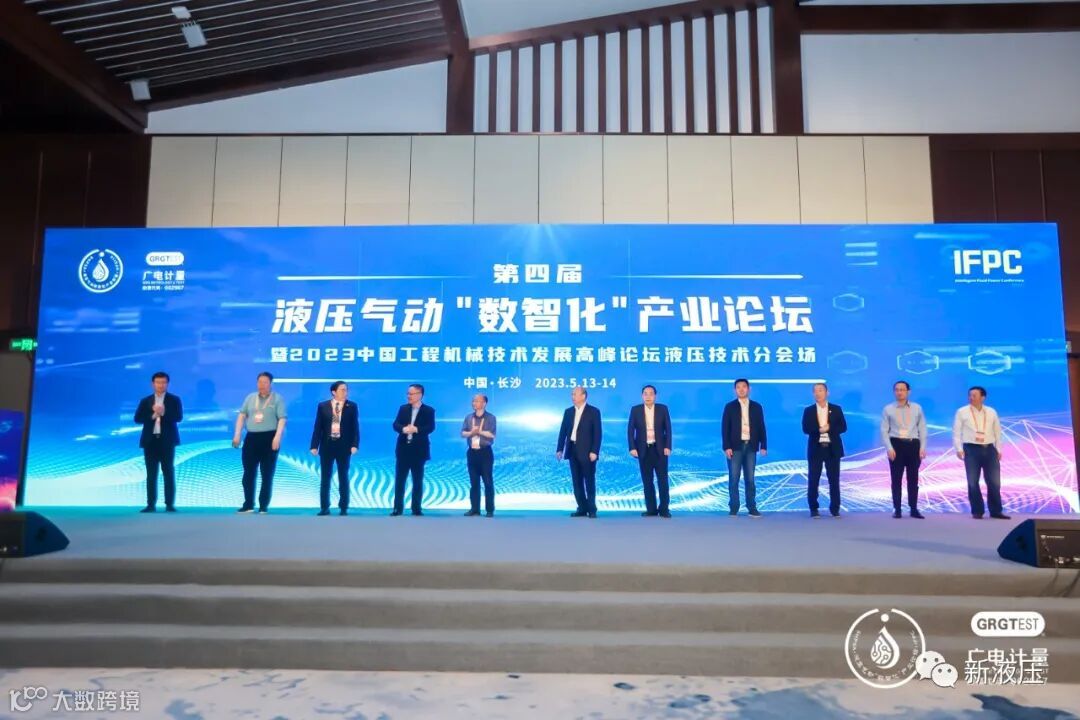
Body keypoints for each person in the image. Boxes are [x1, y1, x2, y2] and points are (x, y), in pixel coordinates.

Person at [233, 371, 287, 514]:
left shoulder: (277, 399)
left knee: (267, 474)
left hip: (270, 438)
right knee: (248, 473)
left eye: (265, 382)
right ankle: (248, 504)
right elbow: (242, 415)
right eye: (259, 382)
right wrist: (237, 434)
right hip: (251, 439)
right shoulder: (250, 398)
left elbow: (282, 419)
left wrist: (277, 437)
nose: (262, 385)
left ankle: (263, 505)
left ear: (270, 384)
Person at [953, 386, 1009, 520]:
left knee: (994, 482)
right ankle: (977, 511)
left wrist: (999, 449)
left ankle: (996, 511)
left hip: (989, 449)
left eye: (974, 395)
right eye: (970, 395)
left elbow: (997, 431)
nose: (971, 398)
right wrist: (958, 449)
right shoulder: (962, 412)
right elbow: (956, 432)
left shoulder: (991, 411)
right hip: (971, 449)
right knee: (973, 482)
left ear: (982, 397)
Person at [134, 371, 183, 513]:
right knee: (151, 474)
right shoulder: (146, 401)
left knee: (168, 472)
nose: (161, 385)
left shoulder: (174, 400)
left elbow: (178, 417)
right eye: (158, 382)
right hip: (150, 441)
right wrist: (153, 415)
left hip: (167, 441)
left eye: (163, 382)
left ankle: (169, 504)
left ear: (167, 384)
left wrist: (164, 413)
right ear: (153, 384)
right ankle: (150, 504)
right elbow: (137, 418)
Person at [309, 381, 359, 516]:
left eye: (346, 390)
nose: (345, 392)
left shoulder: (352, 406)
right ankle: (324, 507)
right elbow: (318, 427)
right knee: (325, 477)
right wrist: (314, 445)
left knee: (343, 476)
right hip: (327, 445)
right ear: (334, 392)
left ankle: (343, 507)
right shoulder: (323, 406)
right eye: (342, 390)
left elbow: (355, 427)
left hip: (344, 446)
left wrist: (355, 444)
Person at [721, 378, 767, 517]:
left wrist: (763, 445)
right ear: (735, 390)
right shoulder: (730, 407)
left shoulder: (757, 407)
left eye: (744, 387)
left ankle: (751, 507)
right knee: (734, 478)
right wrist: (726, 447)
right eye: (738, 387)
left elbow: (761, 426)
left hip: (751, 446)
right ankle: (734, 507)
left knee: (750, 479)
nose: (741, 389)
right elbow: (725, 428)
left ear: (749, 389)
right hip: (735, 447)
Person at [881, 380, 926, 519]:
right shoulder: (888, 409)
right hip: (896, 445)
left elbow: (922, 429)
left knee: (913, 479)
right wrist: (889, 448)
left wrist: (922, 447)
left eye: (902, 389)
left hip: (913, 445)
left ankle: (914, 508)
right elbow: (884, 430)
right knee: (896, 479)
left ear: (908, 392)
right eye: (897, 390)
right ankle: (897, 509)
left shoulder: (917, 408)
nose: (899, 392)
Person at [801, 383, 847, 518]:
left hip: (832, 449)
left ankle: (835, 508)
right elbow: (805, 429)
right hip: (816, 449)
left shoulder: (836, 409)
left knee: (834, 479)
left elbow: (843, 427)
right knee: (813, 479)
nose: (818, 393)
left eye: (820, 390)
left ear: (827, 393)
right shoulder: (808, 410)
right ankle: (814, 508)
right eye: (815, 391)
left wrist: (829, 428)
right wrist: (819, 430)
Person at [556, 386, 602, 518]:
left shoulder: (594, 412)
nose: (572, 397)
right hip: (572, 450)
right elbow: (563, 431)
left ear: (583, 396)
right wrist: (560, 449)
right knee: (577, 481)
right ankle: (582, 508)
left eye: (575, 394)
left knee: (589, 481)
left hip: (588, 452)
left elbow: (597, 433)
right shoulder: (568, 412)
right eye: (572, 394)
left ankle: (592, 509)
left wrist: (594, 451)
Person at [627, 384, 672, 518]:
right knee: (647, 481)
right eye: (645, 394)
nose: (648, 396)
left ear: (655, 396)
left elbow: (668, 429)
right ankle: (651, 509)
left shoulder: (662, 409)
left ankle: (664, 509)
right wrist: (632, 447)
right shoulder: (635, 410)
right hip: (643, 450)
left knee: (663, 480)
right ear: (642, 396)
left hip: (660, 450)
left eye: (651, 394)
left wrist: (668, 446)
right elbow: (630, 430)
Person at [391, 383, 435, 516]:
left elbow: (430, 427)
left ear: (420, 395)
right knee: (400, 480)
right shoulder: (403, 408)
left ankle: (416, 508)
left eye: (411, 394)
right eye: (408, 394)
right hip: (403, 449)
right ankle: (397, 508)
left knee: (417, 480)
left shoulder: (429, 410)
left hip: (419, 451)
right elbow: (396, 424)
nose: (408, 396)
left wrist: (416, 429)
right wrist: (403, 429)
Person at [461, 394, 497, 517]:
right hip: (472, 453)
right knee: (474, 482)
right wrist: (471, 432)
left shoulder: (491, 418)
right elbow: (463, 433)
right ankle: (475, 509)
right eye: (473, 401)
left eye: (477, 401)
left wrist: (479, 431)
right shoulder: (468, 417)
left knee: (487, 482)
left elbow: (492, 434)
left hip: (485, 453)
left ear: (484, 403)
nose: (474, 403)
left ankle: (490, 509)